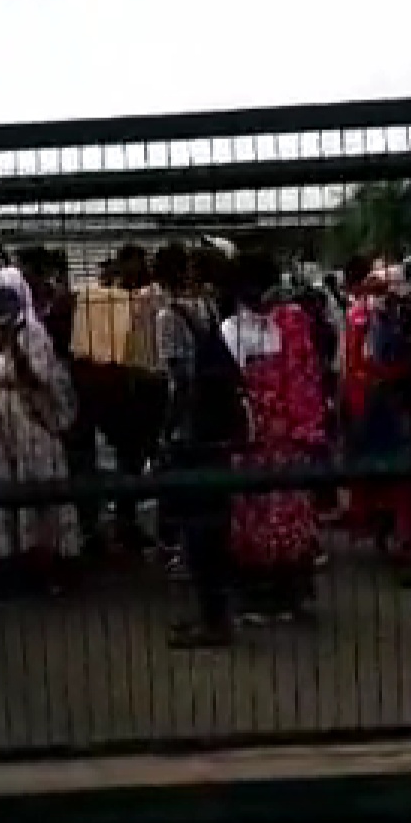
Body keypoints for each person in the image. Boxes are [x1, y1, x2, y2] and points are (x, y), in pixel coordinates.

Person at [154, 243, 248, 647]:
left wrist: (165, 433)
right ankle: (217, 614)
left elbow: (179, 382)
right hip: (217, 428)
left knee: (195, 527)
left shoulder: (169, 317)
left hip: (191, 432)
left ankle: (212, 621)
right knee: (214, 523)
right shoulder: (207, 309)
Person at [224, 251, 325, 622]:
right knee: (255, 520)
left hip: (284, 441)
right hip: (252, 441)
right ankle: (260, 598)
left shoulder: (286, 325)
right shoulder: (231, 330)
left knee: (287, 517)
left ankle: (287, 596)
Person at [0, 266, 80, 593]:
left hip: (31, 420)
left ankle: (50, 566)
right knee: (11, 492)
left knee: (39, 492)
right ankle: (20, 565)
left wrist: (14, 346)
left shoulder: (33, 335)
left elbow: (38, 378)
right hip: (2, 425)